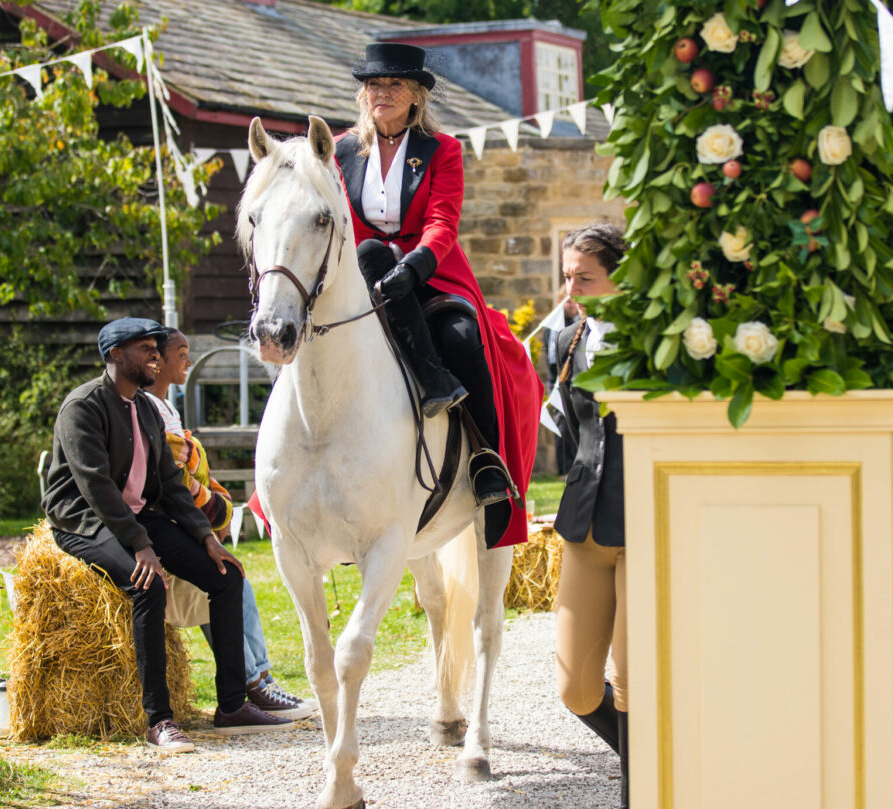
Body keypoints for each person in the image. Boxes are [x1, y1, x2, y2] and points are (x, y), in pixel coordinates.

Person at [40, 316, 295, 754]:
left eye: (156, 349)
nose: (155, 357)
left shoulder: (144, 407)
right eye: (145, 349)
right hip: (85, 521)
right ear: (115, 354)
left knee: (227, 576)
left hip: (138, 517)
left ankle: (232, 706)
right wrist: (141, 547)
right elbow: (97, 488)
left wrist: (206, 537)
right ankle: (159, 720)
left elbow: (170, 483)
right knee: (148, 586)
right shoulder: (82, 407)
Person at [333, 41, 542, 528]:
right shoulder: (341, 150)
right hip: (364, 272)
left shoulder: (442, 149)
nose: (382, 93)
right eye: (374, 85)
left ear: (415, 96)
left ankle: (487, 461)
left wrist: (414, 266)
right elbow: (345, 223)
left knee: (464, 338)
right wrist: (381, 265)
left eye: (395, 85)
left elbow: (443, 221)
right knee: (359, 267)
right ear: (363, 94)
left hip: (431, 269)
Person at [147, 329, 318, 720]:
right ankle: (251, 683)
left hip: (187, 522)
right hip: (168, 526)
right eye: (181, 354)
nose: (188, 361)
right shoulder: (150, 409)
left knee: (236, 584)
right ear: (158, 360)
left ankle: (261, 680)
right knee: (222, 583)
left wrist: (215, 505)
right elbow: (178, 477)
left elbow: (195, 470)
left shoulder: (166, 407)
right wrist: (216, 512)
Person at [552, 222, 630, 807]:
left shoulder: (660, 340)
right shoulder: (564, 341)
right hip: (583, 522)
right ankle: (652, 757)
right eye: (567, 276)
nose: (571, 289)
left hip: (646, 523)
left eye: (585, 278)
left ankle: (643, 792)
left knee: (631, 685)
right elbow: (574, 433)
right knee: (576, 689)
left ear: (620, 279)